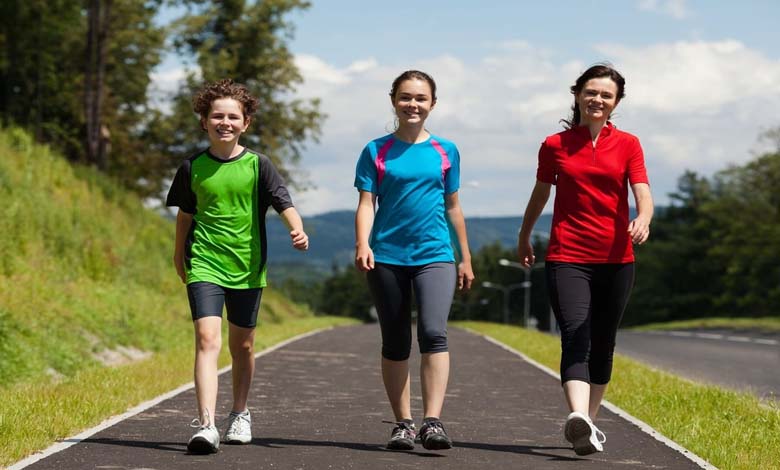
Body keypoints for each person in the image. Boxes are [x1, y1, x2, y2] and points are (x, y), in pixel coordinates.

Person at [166, 78, 309, 454]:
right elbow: (185, 214)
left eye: (233, 117)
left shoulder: (258, 165)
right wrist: (179, 254)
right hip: (205, 263)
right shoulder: (192, 167)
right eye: (217, 116)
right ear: (204, 122)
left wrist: (297, 230)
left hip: (247, 267)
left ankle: (240, 413)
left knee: (242, 345)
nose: (224, 122)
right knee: (207, 340)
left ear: (245, 123)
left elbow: (283, 203)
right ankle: (207, 425)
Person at [516, 63, 654, 456]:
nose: (597, 100)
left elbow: (642, 191)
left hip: (616, 257)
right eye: (591, 92)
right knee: (577, 333)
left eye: (606, 95)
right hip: (567, 254)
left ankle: (587, 426)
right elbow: (540, 195)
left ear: (616, 102)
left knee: (604, 340)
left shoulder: (628, 144)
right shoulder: (555, 145)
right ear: (577, 94)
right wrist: (525, 236)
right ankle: (578, 414)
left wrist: (642, 218)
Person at [354, 70, 474, 451]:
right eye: (406, 97)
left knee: (434, 333)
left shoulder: (446, 151)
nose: (413, 105)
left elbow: (453, 207)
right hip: (387, 255)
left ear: (432, 104)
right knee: (395, 340)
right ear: (394, 101)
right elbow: (366, 204)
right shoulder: (375, 150)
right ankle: (403, 423)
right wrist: (362, 243)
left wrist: (465, 258)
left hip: (435, 255)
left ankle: (433, 422)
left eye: (421, 98)